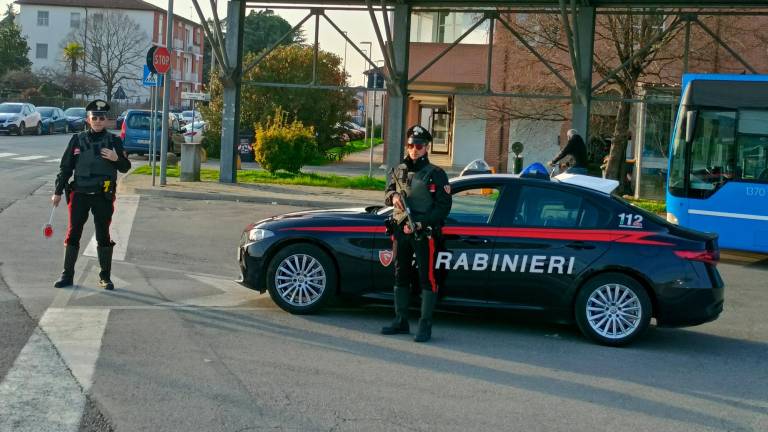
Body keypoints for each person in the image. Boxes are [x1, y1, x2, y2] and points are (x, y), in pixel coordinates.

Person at [381, 125, 452, 343]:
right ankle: (401, 320)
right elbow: (388, 192)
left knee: (426, 278)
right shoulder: (398, 169)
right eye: (411, 145)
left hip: (423, 232)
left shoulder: (437, 175)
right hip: (400, 230)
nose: (414, 149)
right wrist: (393, 196)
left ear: (426, 148)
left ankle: (425, 325)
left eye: (418, 146)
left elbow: (443, 208)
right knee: (400, 274)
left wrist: (420, 223)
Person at [52, 99, 131, 290]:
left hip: (102, 196)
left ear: (106, 120)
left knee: (103, 235)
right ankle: (67, 275)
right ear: (88, 119)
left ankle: (105, 277)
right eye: (94, 117)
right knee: (73, 233)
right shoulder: (77, 140)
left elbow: (125, 167)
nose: (97, 120)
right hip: (80, 194)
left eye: (101, 118)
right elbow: (66, 167)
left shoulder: (114, 141)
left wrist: (115, 158)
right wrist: (57, 192)